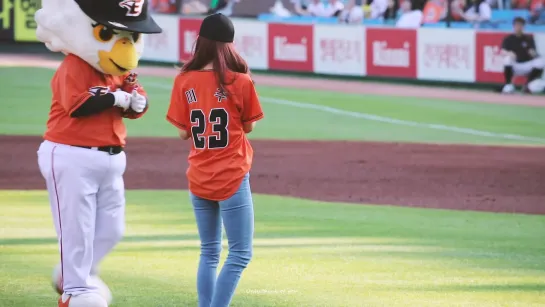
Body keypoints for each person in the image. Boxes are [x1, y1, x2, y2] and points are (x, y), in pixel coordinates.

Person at [34, 0, 162, 306]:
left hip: (111, 157)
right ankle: (74, 292)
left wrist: (135, 104)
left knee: (112, 229)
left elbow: (134, 96)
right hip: (70, 153)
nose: (127, 45)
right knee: (76, 228)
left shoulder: (118, 69)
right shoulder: (75, 65)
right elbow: (78, 105)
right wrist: (116, 98)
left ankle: (77, 277)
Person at [165, 13, 264, 307]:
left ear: (202, 42)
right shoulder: (240, 80)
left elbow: (184, 133)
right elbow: (249, 126)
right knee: (240, 253)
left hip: (199, 175)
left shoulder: (184, 79)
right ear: (229, 45)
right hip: (231, 174)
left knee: (209, 252)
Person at [501, 17, 545, 94]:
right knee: (507, 59)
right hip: (516, 65)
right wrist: (509, 53)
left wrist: (533, 53)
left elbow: (534, 53)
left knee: (541, 61)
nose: (519, 27)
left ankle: (528, 85)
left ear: (523, 27)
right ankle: (508, 84)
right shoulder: (508, 39)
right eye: (517, 25)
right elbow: (503, 51)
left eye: (521, 25)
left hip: (527, 64)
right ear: (513, 26)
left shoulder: (528, 38)